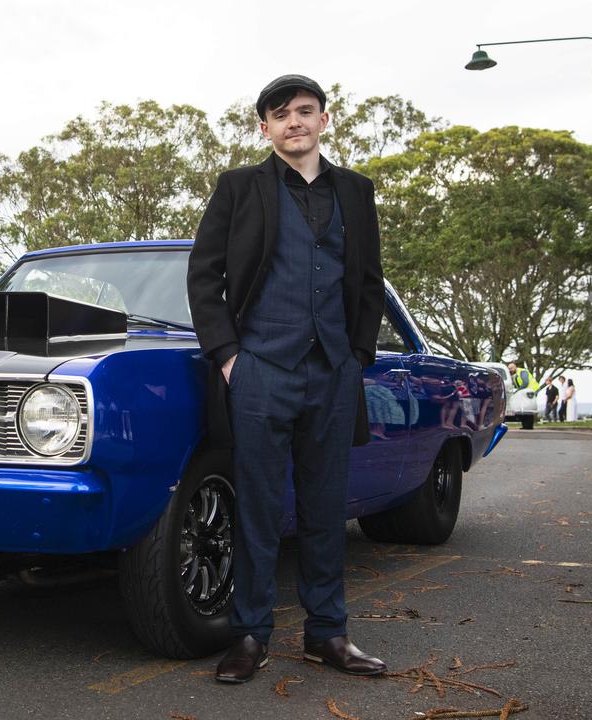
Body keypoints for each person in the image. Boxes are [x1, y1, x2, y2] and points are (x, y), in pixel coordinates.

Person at [187, 74, 387, 684]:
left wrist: (357, 355)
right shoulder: (239, 188)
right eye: (281, 114)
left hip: (332, 372)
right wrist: (228, 356)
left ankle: (328, 633)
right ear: (265, 128)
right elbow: (205, 276)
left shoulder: (355, 190)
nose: (294, 121)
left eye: (305, 111)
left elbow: (369, 279)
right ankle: (250, 633)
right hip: (261, 372)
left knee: (327, 509)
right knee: (258, 510)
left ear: (324, 120)